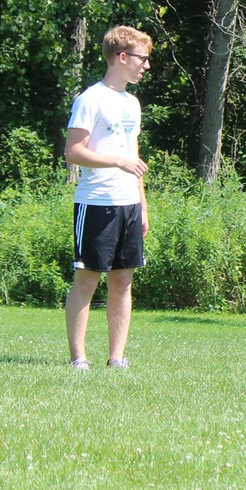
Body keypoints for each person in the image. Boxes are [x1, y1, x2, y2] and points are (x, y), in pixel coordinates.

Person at [63, 26, 152, 370]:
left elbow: (134, 158)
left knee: (122, 281)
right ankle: (78, 359)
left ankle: (117, 358)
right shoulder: (90, 99)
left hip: (128, 205)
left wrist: (142, 206)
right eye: (142, 58)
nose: (146, 66)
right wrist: (117, 161)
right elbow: (73, 151)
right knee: (87, 280)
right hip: (97, 202)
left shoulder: (132, 103)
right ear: (122, 57)